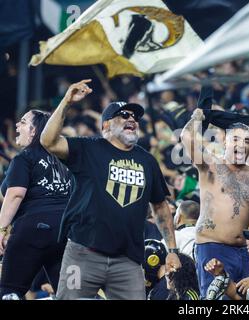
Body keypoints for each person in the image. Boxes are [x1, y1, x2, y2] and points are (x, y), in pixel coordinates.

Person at [40, 79, 180, 300]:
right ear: (106, 125)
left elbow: (161, 207)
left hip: (128, 260)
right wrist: (67, 101)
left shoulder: (147, 160)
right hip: (83, 253)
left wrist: (172, 251)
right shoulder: (88, 147)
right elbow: (48, 141)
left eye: (134, 116)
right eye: (124, 115)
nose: (132, 119)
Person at [180, 108, 249, 298]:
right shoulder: (211, 166)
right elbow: (186, 136)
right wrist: (197, 117)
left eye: (247, 141)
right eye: (236, 139)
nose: (242, 144)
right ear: (225, 141)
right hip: (212, 248)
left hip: (242, 253)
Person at [0, 110, 71, 299]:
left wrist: (1, 229)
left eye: (22, 122)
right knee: (71, 294)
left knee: (10, 292)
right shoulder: (66, 162)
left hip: (32, 230)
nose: (17, 126)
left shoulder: (24, 157)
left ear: (34, 131)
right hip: (67, 233)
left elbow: (15, 195)